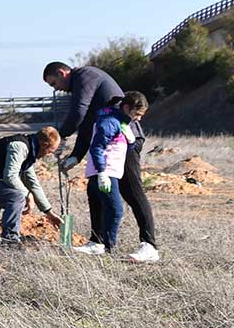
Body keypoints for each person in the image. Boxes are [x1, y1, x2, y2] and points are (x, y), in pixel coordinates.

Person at [44, 61, 159, 263]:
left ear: (63, 73)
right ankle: (96, 242)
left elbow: (79, 111)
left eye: (54, 83)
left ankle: (149, 246)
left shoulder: (85, 76)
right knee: (95, 190)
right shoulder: (84, 88)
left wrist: (59, 136)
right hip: (109, 139)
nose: (57, 89)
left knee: (131, 191)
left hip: (125, 139)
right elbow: (88, 123)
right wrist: (76, 156)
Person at [75, 92, 150, 257]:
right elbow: (96, 147)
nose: (138, 119)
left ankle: (97, 243)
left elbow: (117, 148)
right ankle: (108, 249)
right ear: (126, 108)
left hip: (104, 172)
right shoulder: (110, 122)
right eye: (137, 114)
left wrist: (130, 142)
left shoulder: (119, 122)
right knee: (115, 210)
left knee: (101, 208)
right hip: (104, 172)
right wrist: (102, 172)